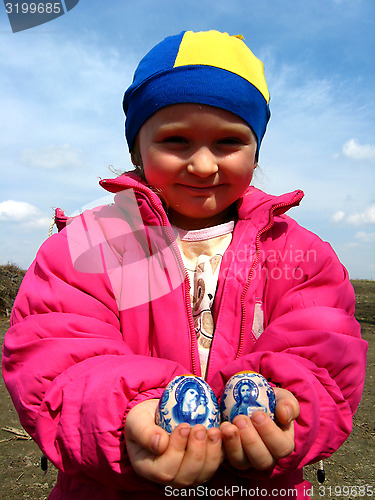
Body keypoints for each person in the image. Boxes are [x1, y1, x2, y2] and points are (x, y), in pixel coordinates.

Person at [2, 30, 367, 499]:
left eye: (228, 142)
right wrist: (128, 418)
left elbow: (324, 355)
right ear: (138, 149)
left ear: (256, 153)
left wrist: (288, 413)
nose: (201, 164)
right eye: (176, 140)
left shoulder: (301, 254)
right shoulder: (90, 246)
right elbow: (56, 356)